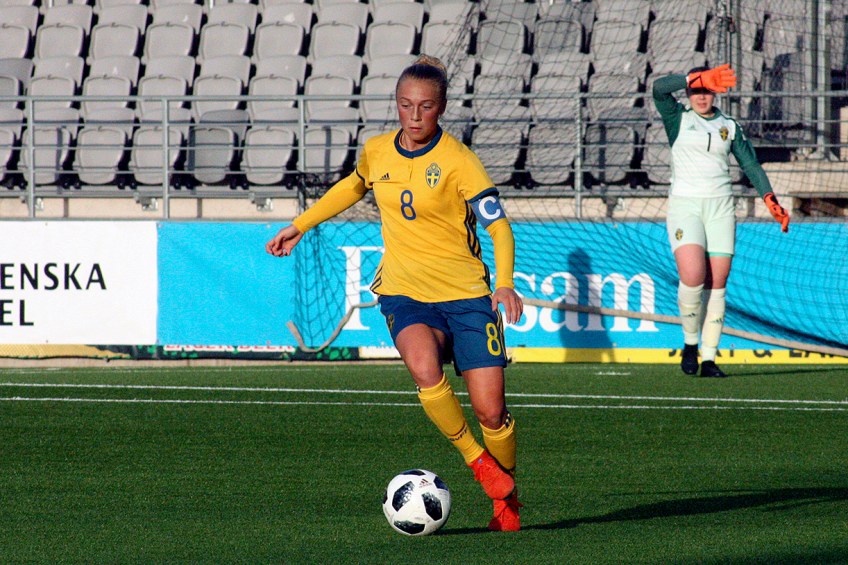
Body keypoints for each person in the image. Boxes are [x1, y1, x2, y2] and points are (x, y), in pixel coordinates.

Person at [266, 55, 525, 531]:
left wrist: (504, 282)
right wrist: (300, 224)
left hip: (467, 295)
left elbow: (499, 227)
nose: (414, 115)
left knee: (492, 413)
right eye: (406, 105)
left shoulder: (460, 161)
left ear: (440, 108)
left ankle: (507, 500)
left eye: (425, 106)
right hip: (404, 290)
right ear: (396, 104)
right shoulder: (377, 150)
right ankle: (477, 463)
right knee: (425, 369)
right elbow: (352, 186)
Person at [653, 64, 790, 378]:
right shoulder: (677, 118)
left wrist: (769, 198)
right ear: (689, 92)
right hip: (685, 206)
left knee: (718, 282)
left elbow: (750, 164)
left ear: (716, 93)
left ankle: (710, 358)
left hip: (721, 208)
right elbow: (658, 88)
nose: (701, 97)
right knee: (693, 275)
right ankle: (690, 343)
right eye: (696, 90)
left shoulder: (729, 125)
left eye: (707, 90)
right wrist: (691, 78)